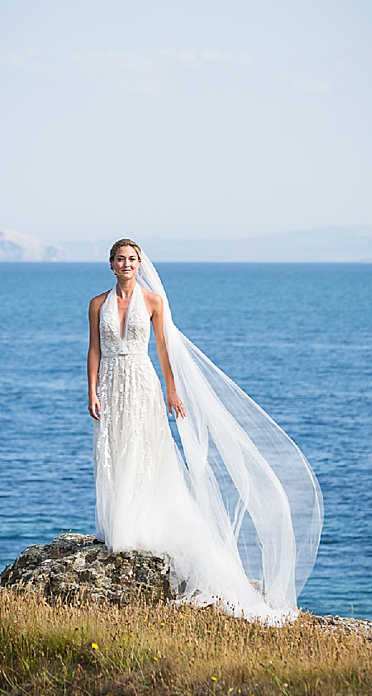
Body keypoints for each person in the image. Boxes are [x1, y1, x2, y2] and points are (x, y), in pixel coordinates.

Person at [88, 238, 323, 623]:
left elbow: (164, 349)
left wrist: (172, 390)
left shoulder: (153, 302)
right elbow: (94, 349)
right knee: (113, 448)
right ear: (111, 264)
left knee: (144, 450)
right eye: (120, 259)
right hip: (111, 385)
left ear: (139, 263)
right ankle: (116, 521)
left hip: (143, 383)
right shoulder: (97, 304)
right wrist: (92, 390)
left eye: (132, 259)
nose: (126, 264)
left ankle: (140, 524)